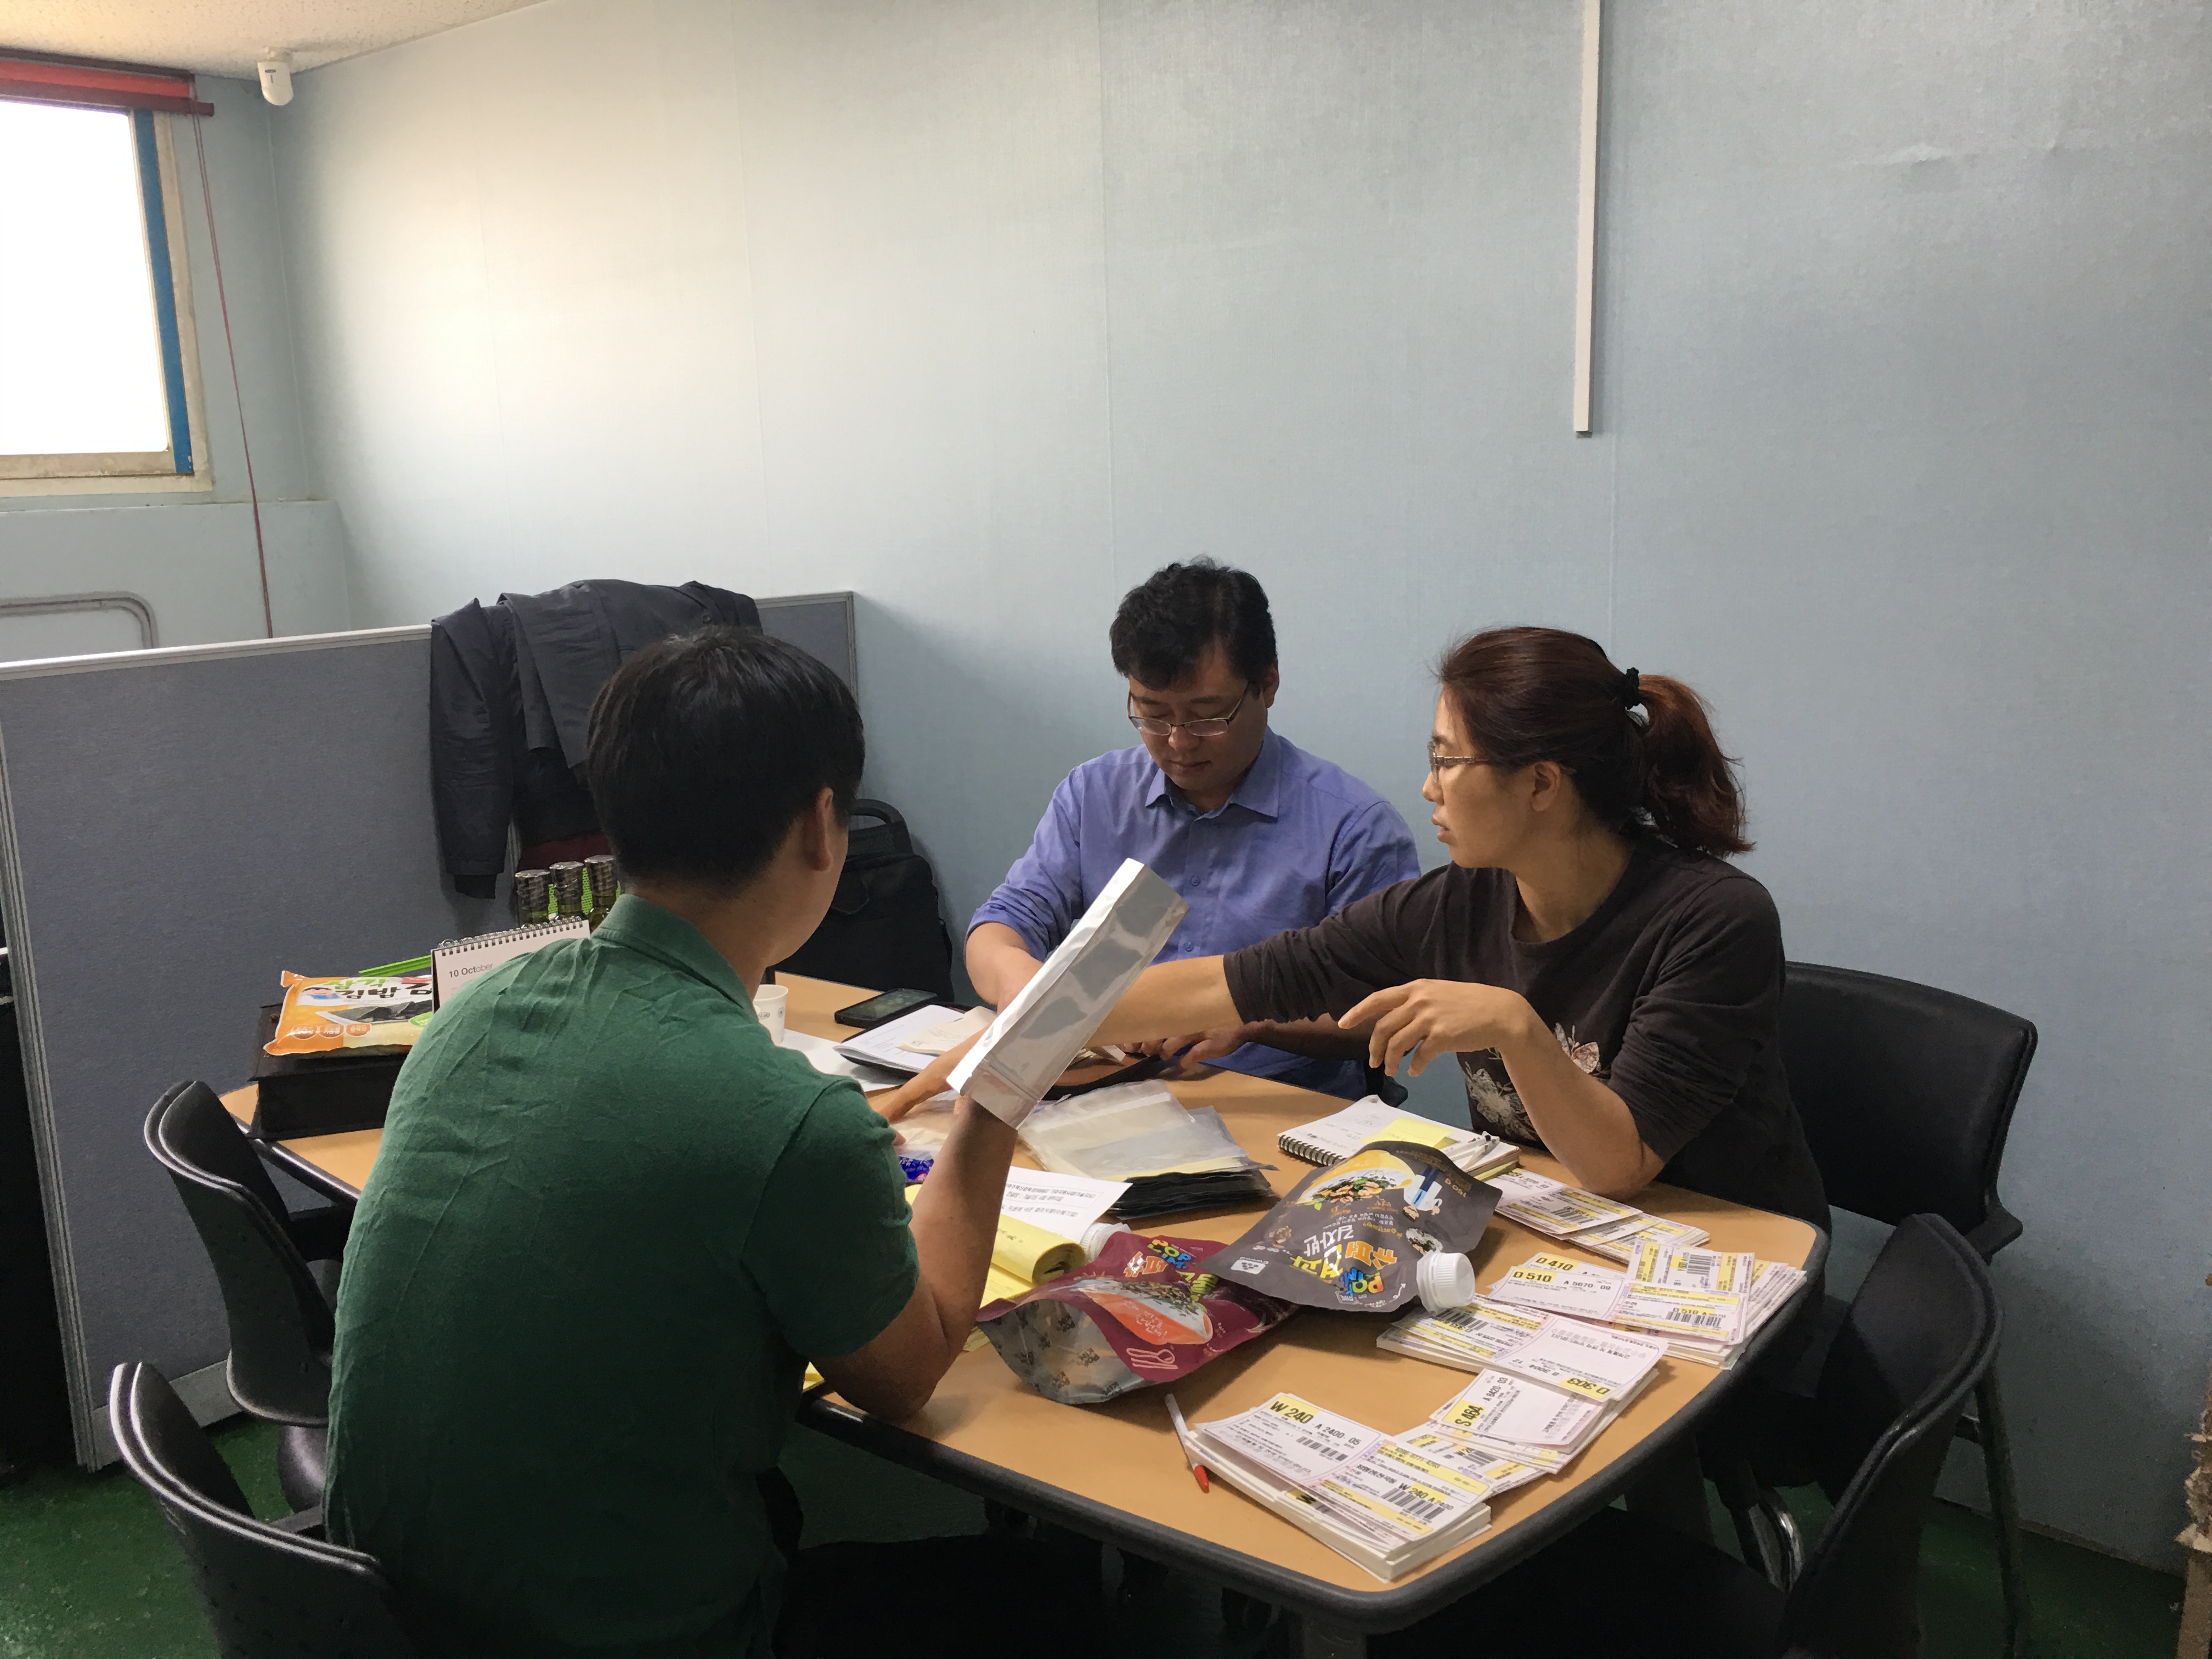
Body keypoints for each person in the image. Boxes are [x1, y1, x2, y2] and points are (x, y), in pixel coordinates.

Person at [324, 629, 1031, 1657]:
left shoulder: (476, 1011)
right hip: (620, 1636)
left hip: (388, 1616)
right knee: (1045, 1597)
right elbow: (907, 1373)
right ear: (821, 825)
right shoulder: (792, 1125)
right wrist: (998, 1097)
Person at [899, 625, 1825, 1229]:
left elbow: (1620, 1162)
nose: (1427, 786)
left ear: (1542, 783)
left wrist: (1513, 1025)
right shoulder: (1456, 902)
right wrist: (1016, 1037)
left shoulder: (1711, 920)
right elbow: (1231, 982)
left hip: (1727, 1250)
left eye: (1448, 760)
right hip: (1566, 1230)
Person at [966, 559, 1419, 1097]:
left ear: (1267, 683)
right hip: (1110, 1093)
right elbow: (1004, 921)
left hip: (1275, 1107)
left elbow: (1391, 1013)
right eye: (1153, 714)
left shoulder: (1354, 828)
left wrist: (1251, 1018)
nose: (1178, 742)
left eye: (1207, 716)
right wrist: (1019, 981)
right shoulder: (1094, 794)